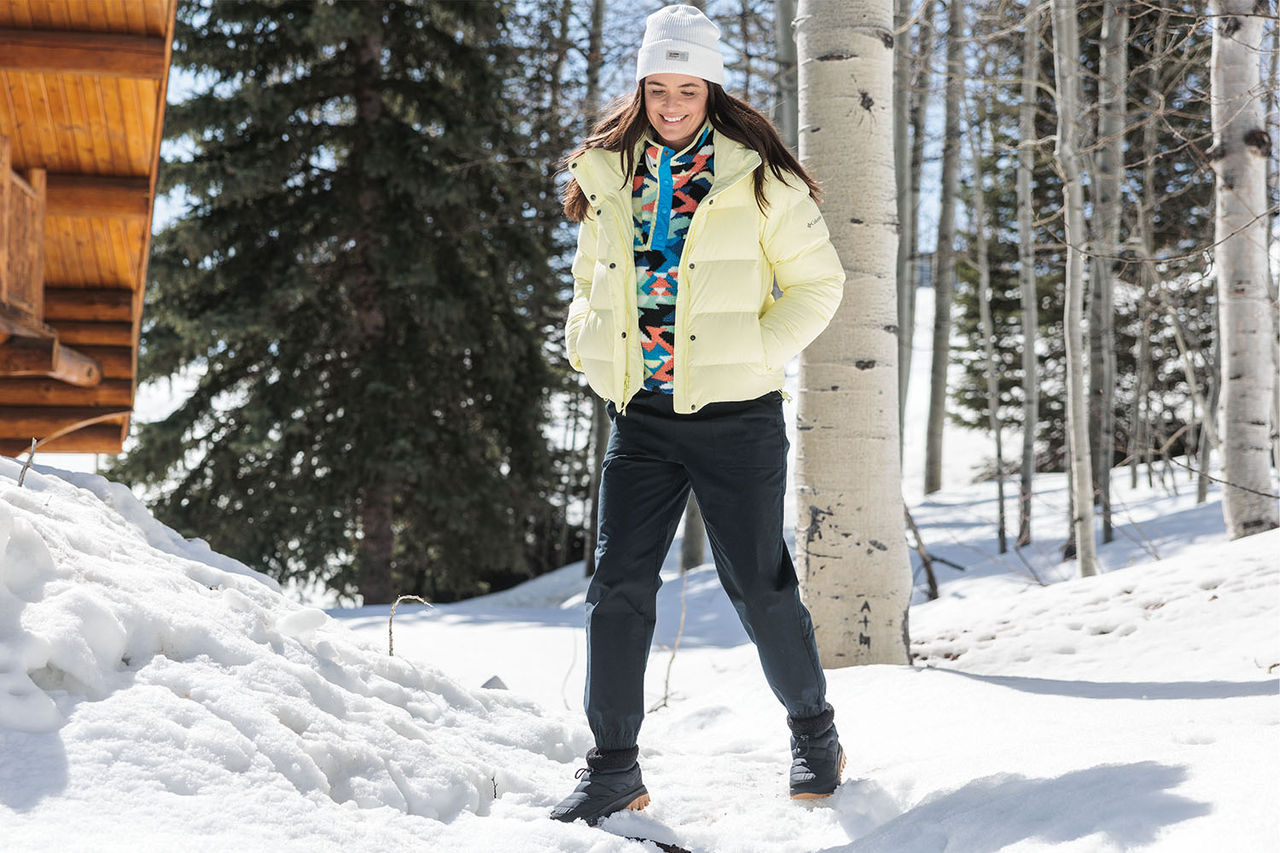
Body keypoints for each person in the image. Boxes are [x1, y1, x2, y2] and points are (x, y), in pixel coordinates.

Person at [551, 4, 846, 826]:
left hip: (737, 415)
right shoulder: (609, 172)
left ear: (711, 88)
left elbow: (819, 286)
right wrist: (587, 341)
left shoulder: (760, 177)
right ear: (641, 87)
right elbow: (589, 277)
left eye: (688, 87)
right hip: (641, 413)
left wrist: (757, 353)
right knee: (616, 587)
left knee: (756, 582)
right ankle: (613, 765)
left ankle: (814, 730)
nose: (672, 103)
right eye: (658, 87)